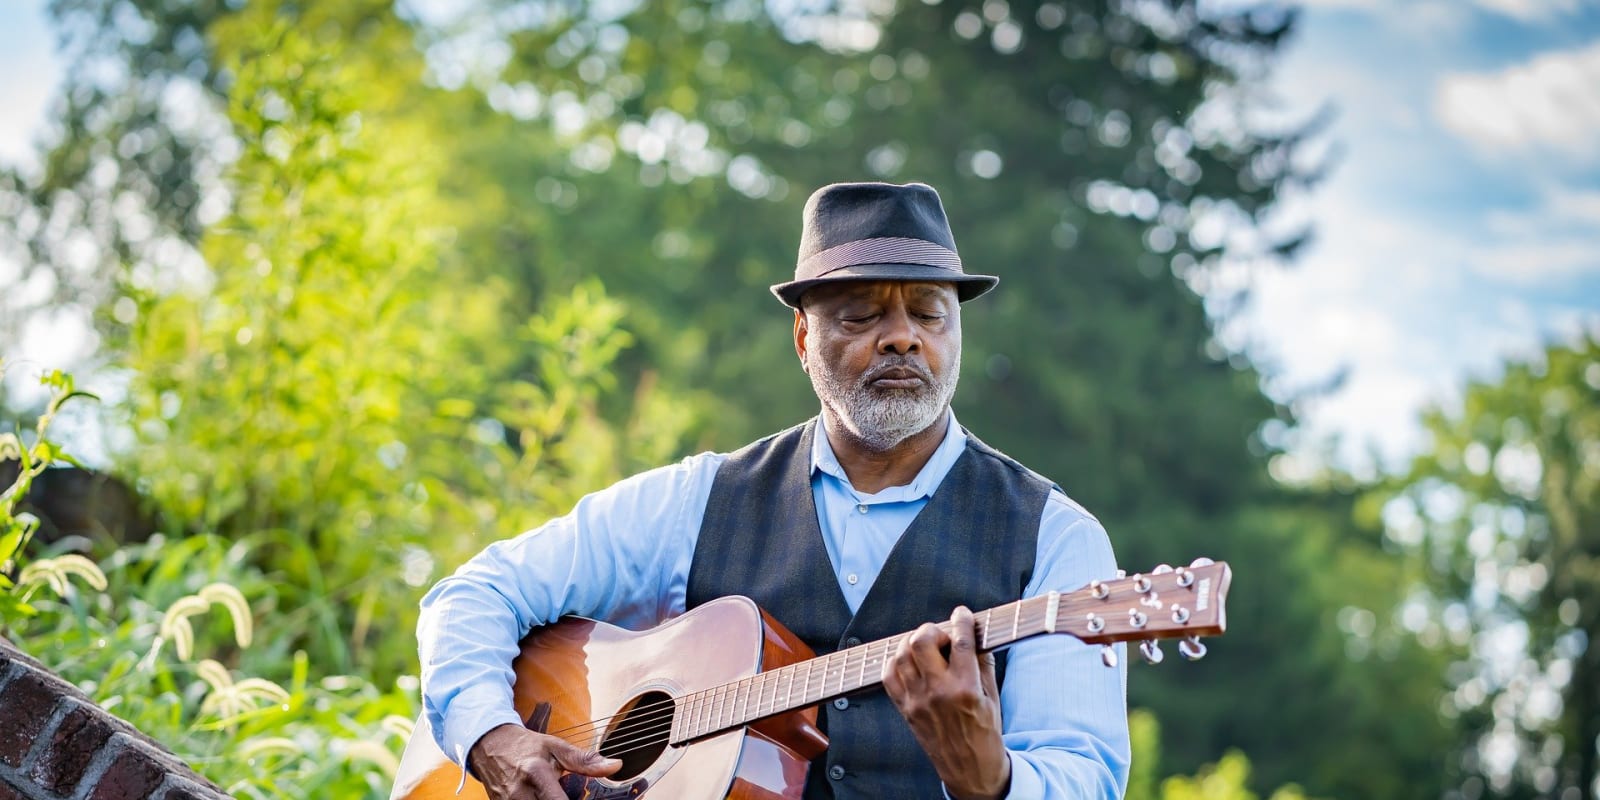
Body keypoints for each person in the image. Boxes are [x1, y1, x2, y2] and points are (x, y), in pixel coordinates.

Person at [417, 181, 1131, 799]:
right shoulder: (700, 500)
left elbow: (1084, 778)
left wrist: (990, 780)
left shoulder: (1054, 537)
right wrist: (490, 735)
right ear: (801, 336)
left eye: (928, 312)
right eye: (862, 314)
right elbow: (474, 595)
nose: (902, 338)